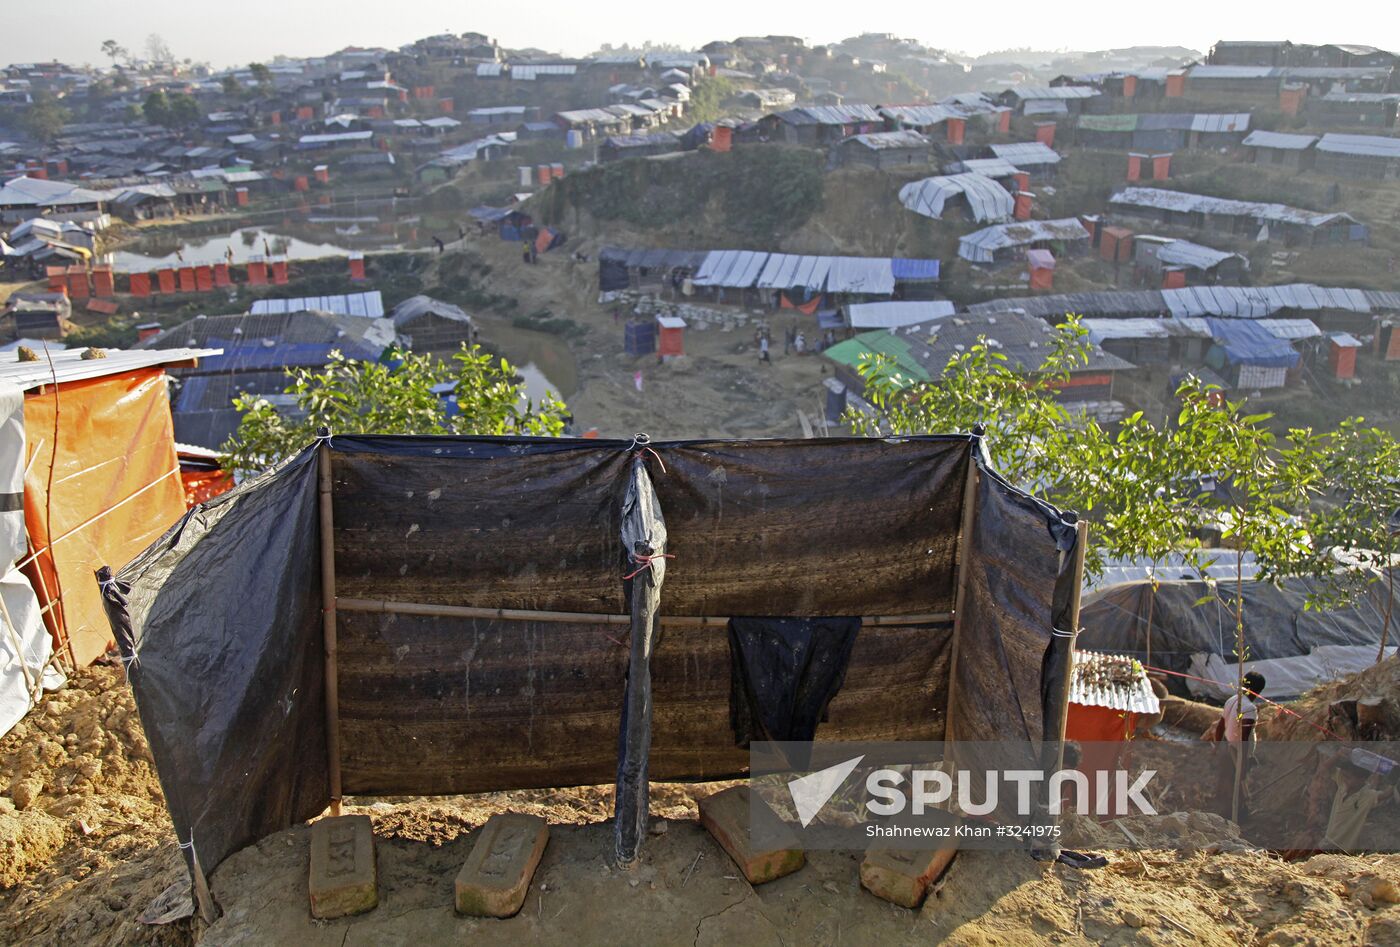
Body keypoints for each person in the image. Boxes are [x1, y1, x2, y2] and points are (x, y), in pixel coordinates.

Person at [1214, 671, 1266, 818]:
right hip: (1237, 752)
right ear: (1258, 691)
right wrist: (1242, 763)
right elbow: (1244, 738)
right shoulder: (1249, 708)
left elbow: (1220, 726)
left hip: (1227, 746)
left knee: (1230, 780)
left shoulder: (1232, 700)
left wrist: (1217, 747)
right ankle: (1234, 814)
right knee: (1236, 781)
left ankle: (1235, 811)